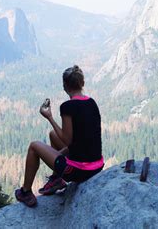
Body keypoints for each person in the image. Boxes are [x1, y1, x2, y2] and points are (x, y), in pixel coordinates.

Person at [15, 65, 104, 207]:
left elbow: (67, 140)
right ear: (82, 83)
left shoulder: (67, 107)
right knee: (52, 135)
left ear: (65, 86)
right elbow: (81, 140)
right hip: (97, 166)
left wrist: (49, 117)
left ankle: (25, 192)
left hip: (79, 171)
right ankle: (57, 179)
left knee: (34, 146)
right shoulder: (91, 102)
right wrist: (58, 154)